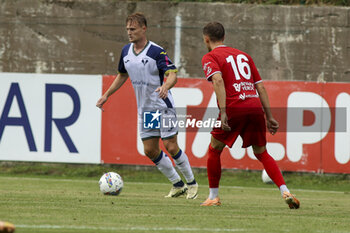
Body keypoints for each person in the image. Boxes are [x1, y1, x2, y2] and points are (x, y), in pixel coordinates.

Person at [96, 12, 198, 199]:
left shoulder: (156, 51)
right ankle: (178, 184)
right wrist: (106, 95)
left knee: (171, 146)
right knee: (150, 150)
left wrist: (166, 86)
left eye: (133, 29)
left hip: (162, 106)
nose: (129, 32)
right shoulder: (126, 52)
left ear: (144, 29)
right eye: (127, 29)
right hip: (147, 111)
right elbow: (122, 75)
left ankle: (192, 183)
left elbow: (173, 73)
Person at [199, 22, 300, 209]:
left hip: (234, 107)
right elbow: (260, 86)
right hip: (254, 105)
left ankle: (214, 196)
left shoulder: (210, 57)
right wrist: (269, 116)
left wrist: (223, 111)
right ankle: (285, 191)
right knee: (261, 152)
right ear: (224, 37)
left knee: (214, 149)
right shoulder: (244, 56)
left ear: (206, 38)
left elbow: (218, 80)